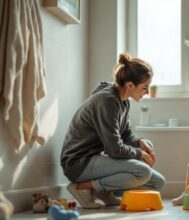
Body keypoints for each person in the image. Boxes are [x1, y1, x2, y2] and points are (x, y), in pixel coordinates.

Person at [61, 53, 165, 208]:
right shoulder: (107, 100)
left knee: (157, 182)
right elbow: (114, 149)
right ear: (130, 85)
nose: (147, 92)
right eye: (145, 87)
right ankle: (82, 187)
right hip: (79, 163)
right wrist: (138, 153)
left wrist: (139, 142)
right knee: (142, 172)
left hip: (97, 157)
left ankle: (102, 191)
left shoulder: (123, 102)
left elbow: (125, 134)